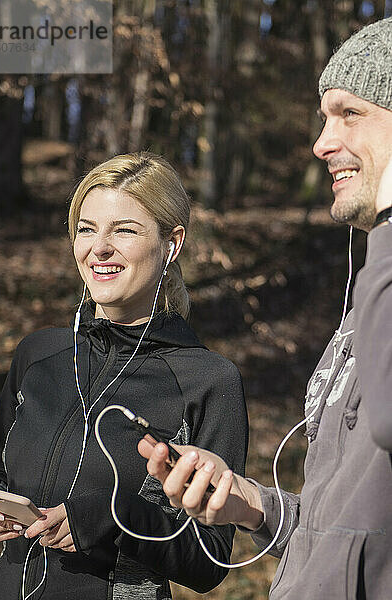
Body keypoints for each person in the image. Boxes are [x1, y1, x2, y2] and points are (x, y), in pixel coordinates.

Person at [140, 18, 392, 600]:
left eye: (349, 113)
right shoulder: (369, 293)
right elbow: (347, 529)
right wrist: (251, 505)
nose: (322, 143)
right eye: (323, 117)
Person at [0, 152, 249, 599]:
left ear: (172, 244)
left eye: (124, 230)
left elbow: (210, 560)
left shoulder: (208, 381)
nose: (99, 247)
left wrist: (114, 517)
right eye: (86, 228)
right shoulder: (38, 355)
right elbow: (1, 473)